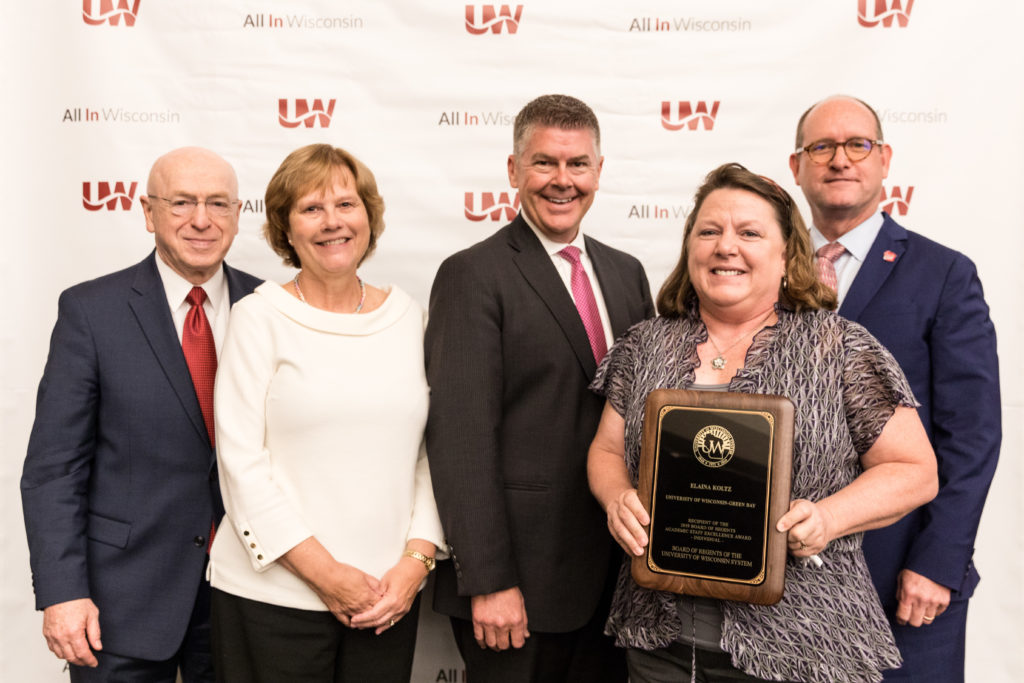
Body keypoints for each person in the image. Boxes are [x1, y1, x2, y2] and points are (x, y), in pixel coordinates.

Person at [588, 162, 939, 682]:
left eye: (749, 232)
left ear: (786, 255)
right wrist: (617, 497)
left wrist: (829, 519)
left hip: (801, 644)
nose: (726, 246)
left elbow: (915, 470)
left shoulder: (841, 348)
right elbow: (606, 451)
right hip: (659, 639)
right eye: (709, 231)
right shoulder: (644, 345)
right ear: (690, 250)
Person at [425, 94, 654, 682]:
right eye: (544, 163)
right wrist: (490, 579)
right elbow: (460, 439)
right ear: (513, 170)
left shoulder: (627, 273)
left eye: (577, 164)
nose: (562, 180)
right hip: (516, 586)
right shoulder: (472, 274)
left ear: (599, 172)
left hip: (615, 577)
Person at [20, 147, 261, 681]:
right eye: (182, 202)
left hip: (246, 599)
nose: (202, 219)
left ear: (239, 215)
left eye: (218, 203)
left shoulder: (269, 308)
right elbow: (54, 469)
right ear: (148, 212)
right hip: (119, 603)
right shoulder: (91, 311)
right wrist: (64, 594)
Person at [208, 143, 444, 682]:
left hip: (387, 601)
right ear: (285, 229)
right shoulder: (257, 318)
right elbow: (241, 466)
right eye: (311, 209)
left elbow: (432, 454)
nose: (332, 221)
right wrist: (329, 575)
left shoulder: (409, 316)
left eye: (346, 204)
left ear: (369, 217)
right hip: (272, 601)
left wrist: (415, 566)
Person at [788, 95, 1001, 682]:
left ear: (883, 159)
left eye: (857, 145)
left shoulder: (943, 275)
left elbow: (972, 434)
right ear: (796, 166)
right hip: (783, 578)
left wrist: (939, 560)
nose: (839, 160)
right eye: (821, 147)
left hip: (901, 573)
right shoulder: (763, 270)